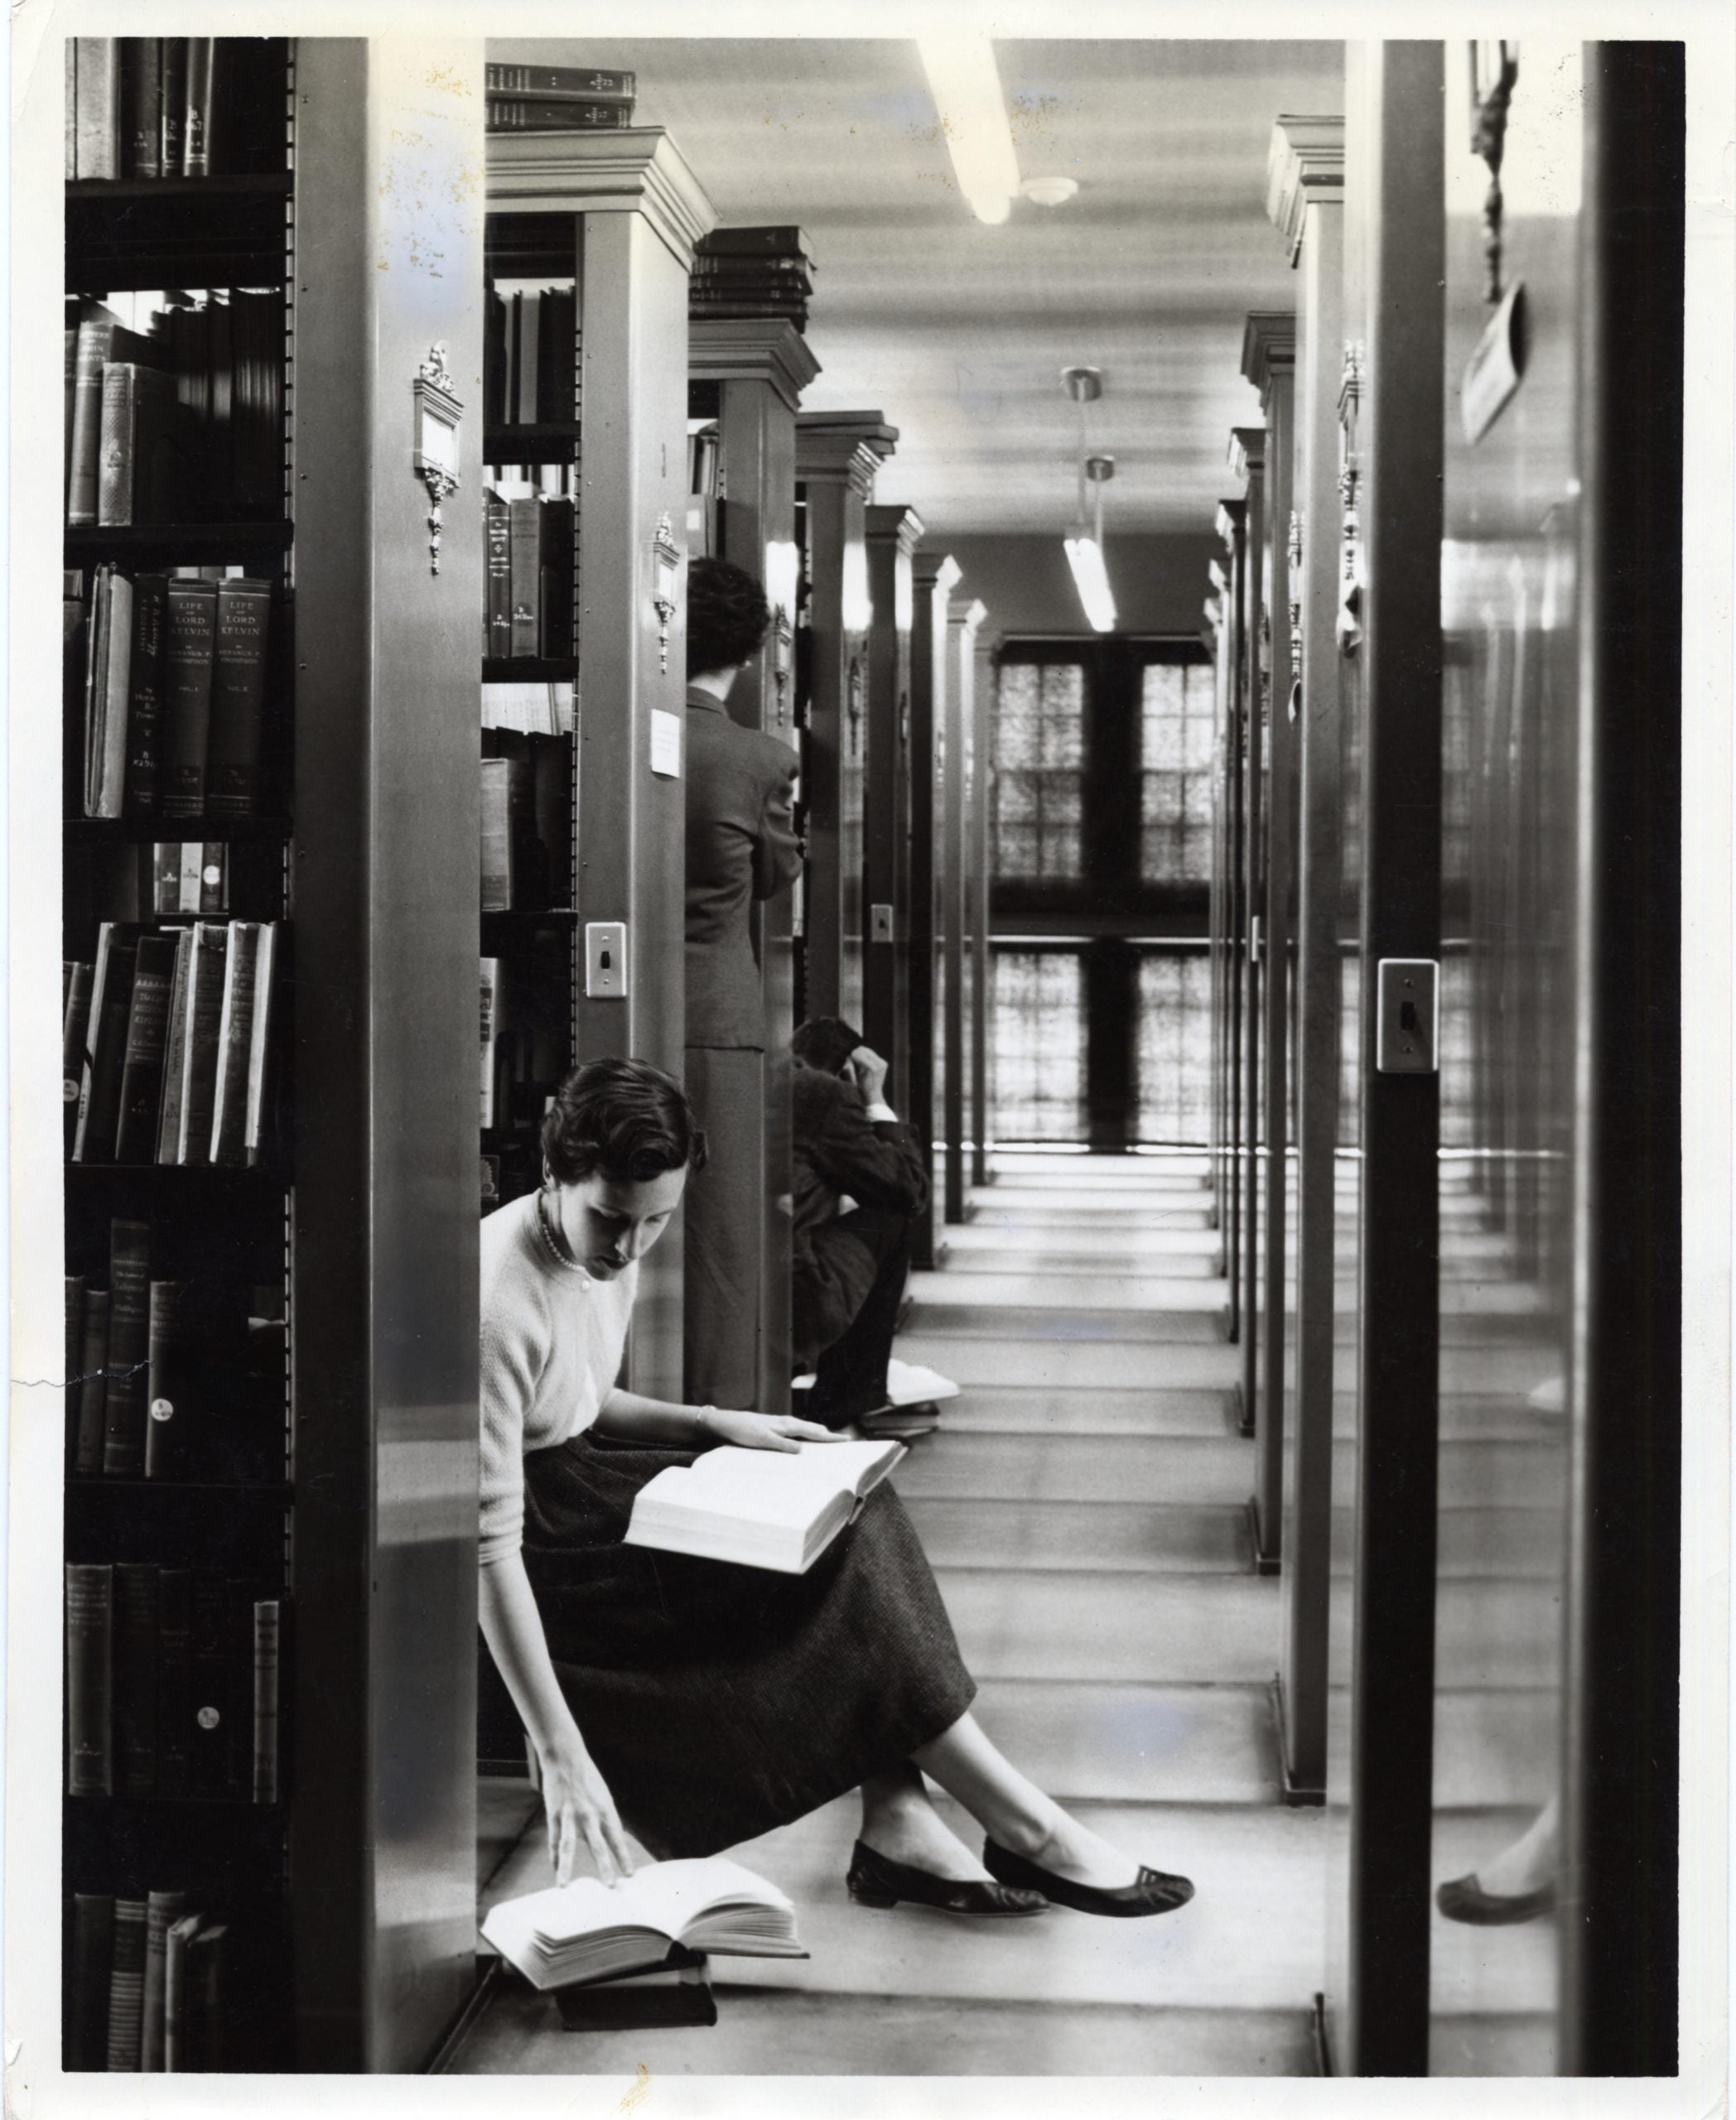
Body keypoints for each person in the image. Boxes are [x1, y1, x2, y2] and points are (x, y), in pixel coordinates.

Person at [479, 1055, 1195, 1921]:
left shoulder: (607, 1236)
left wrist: (713, 1422)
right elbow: (487, 1545)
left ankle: (903, 1821)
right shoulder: (493, 1295)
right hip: (546, 1550)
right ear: (552, 1175)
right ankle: (1021, 1825)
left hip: (584, 1485)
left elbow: (576, 1396)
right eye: (611, 1220)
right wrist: (561, 1751)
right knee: (833, 1562)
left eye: (656, 1221)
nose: (630, 1247)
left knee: (845, 1504)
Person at [681, 556, 801, 1411]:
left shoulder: (601, 734)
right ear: (752, 653)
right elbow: (772, 876)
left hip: (586, 1001)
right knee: (717, 1235)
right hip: (715, 1013)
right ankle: (720, 1416)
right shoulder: (761, 758)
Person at [790, 1014, 953, 1437]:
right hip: (792, 1289)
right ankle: (842, 1408)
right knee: (892, 1221)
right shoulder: (820, 1093)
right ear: (850, 1066)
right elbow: (908, 1189)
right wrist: (873, 1097)